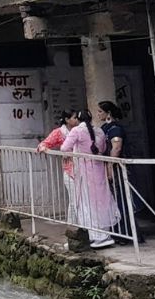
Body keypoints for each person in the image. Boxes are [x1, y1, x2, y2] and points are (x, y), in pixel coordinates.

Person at [64, 109, 118, 249]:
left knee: (86, 203)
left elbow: (65, 147)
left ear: (78, 120)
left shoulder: (77, 131)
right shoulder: (99, 131)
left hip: (84, 172)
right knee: (101, 201)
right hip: (99, 170)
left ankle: (93, 236)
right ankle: (104, 235)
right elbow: (104, 147)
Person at [98, 101, 132, 241]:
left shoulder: (115, 129)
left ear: (108, 113)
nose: (98, 114)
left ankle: (125, 233)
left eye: (100, 111)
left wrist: (110, 167)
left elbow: (116, 148)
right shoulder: (105, 127)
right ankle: (115, 231)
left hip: (116, 168)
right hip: (107, 165)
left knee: (120, 199)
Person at [39, 112, 75, 224]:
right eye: (74, 117)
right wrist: (45, 149)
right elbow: (44, 144)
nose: (76, 119)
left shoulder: (80, 130)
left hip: (85, 169)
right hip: (70, 170)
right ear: (67, 119)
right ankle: (73, 227)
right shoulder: (60, 132)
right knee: (74, 200)